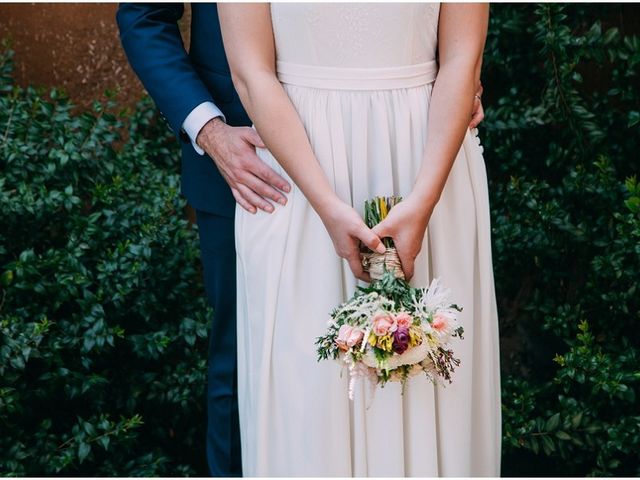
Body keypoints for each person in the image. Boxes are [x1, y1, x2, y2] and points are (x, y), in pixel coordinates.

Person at [116, 3, 485, 476]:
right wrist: (210, 132)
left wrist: (455, 76)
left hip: (410, 143)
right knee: (256, 374)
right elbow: (144, 16)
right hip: (254, 167)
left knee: (427, 364)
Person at [219, 3, 501, 476]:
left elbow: (462, 57)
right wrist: (326, 205)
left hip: (428, 157)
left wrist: (424, 199)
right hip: (299, 167)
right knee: (308, 394)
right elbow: (250, 72)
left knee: (438, 384)